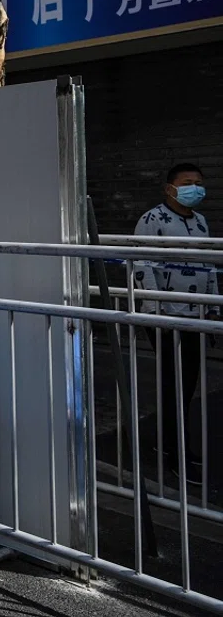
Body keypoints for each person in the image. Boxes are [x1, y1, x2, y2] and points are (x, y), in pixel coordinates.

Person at [134, 163, 216, 485]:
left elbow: (209, 264)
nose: (194, 188)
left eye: (198, 183)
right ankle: (177, 454)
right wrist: (155, 312)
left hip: (196, 315)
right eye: (187, 183)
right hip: (165, 317)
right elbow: (142, 263)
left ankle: (170, 444)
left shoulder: (201, 222)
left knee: (188, 384)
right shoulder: (153, 220)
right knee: (174, 385)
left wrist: (212, 305)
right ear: (170, 188)